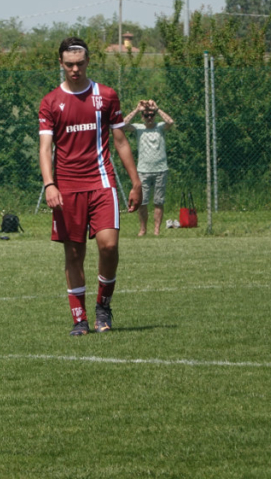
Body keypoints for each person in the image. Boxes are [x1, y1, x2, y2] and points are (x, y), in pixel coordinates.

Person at [38, 37, 142, 336]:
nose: (75, 70)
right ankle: (80, 319)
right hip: (67, 188)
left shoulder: (106, 96)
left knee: (109, 246)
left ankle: (103, 307)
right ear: (61, 64)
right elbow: (45, 149)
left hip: (101, 183)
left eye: (80, 64)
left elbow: (120, 141)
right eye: (69, 64)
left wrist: (135, 183)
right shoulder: (50, 102)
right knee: (74, 254)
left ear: (88, 63)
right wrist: (50, 184)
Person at [123, 99, 175, 236]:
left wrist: (157, 109)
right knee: (142, 202)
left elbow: (170, 122)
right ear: (143, 117)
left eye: (151, 115)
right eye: (146, 115)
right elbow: (122, 125)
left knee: (158, 201)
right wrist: (137, 110)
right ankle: (143, 229)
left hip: (161, 169)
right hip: (143, 170)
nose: (149, 118)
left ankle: (156, 230)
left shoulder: (160, 126)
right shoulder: (138, 128)